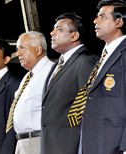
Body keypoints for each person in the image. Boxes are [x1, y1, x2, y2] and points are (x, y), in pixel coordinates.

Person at [40, 13, 98, 154]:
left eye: (59, 29)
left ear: (74, 36)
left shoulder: (86, 62)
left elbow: (89, 110)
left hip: (70, 145)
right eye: (54, 29)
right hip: (51, 144)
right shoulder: (57, 64)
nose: (52, 33)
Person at [79, 1, 126, 153]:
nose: (95, 20)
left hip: (115, 144)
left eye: (102, 17)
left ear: (118, 21)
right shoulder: (103, 57)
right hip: (94, 141)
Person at [10, 31, 54, 154]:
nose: (18, 53)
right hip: (22, 141)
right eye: (17, 49)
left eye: (22, 48)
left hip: (38, 141)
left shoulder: (51, 72)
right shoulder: (28, 76)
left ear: (38, 50)